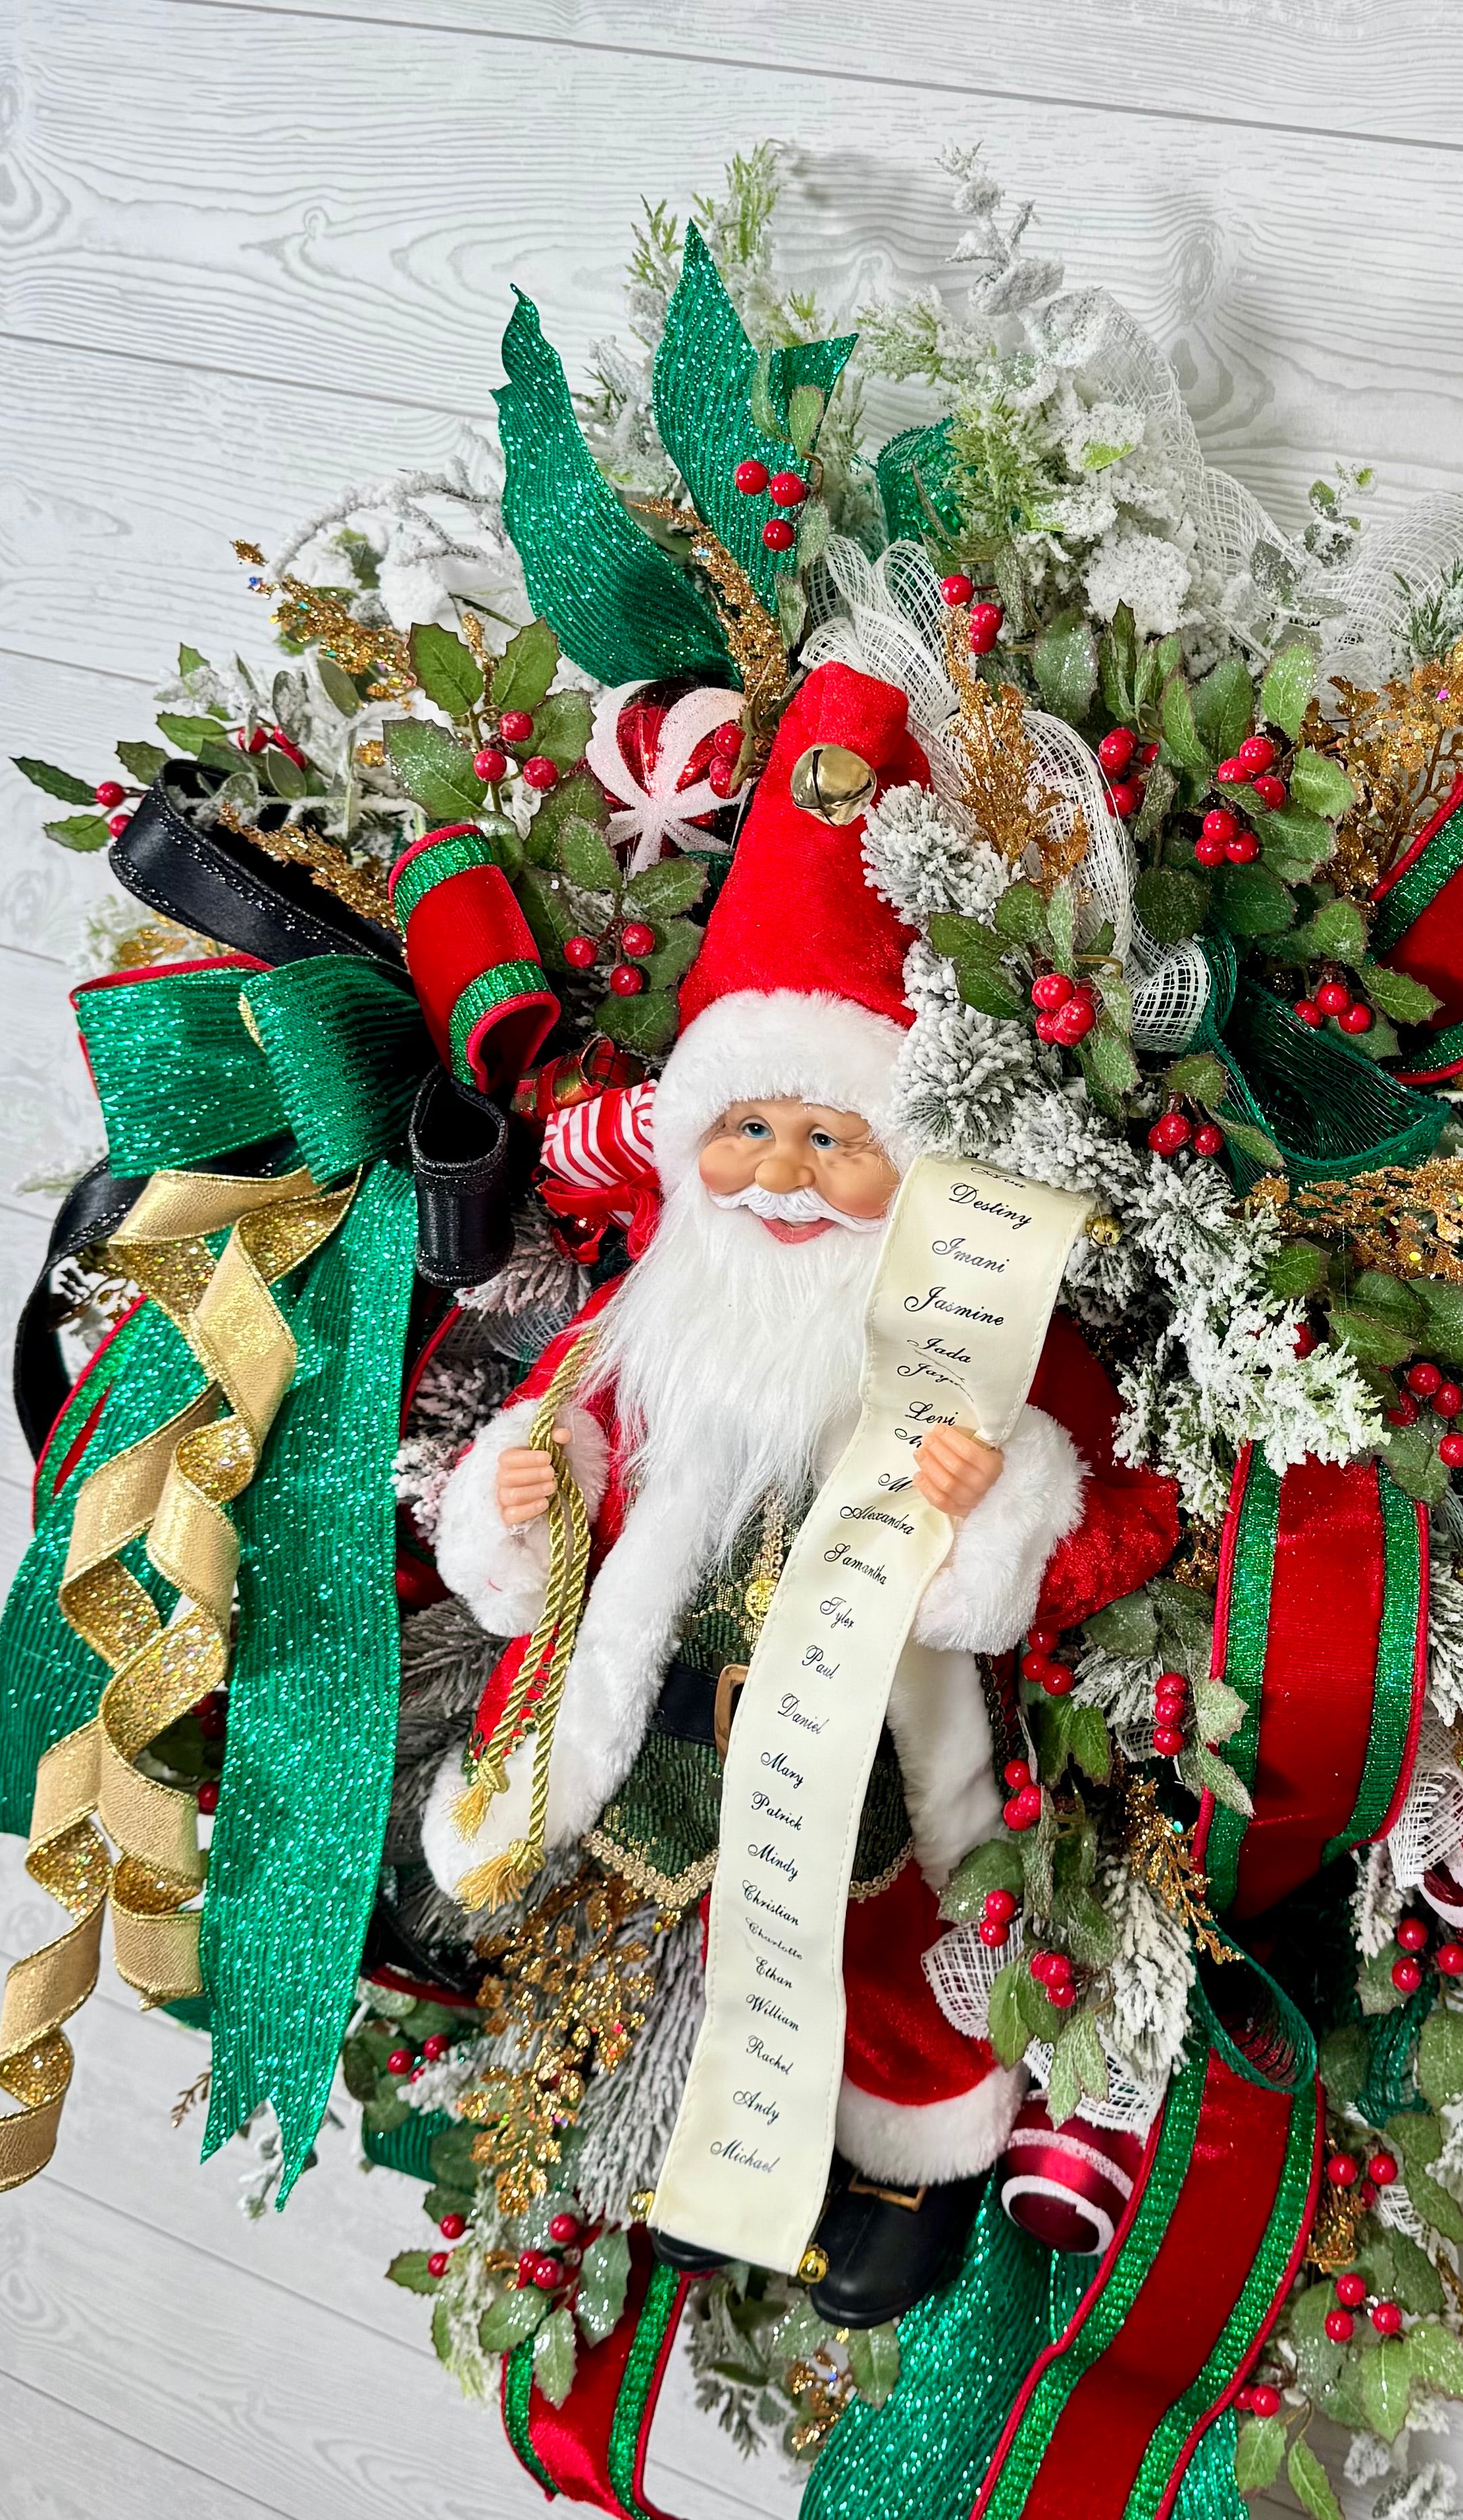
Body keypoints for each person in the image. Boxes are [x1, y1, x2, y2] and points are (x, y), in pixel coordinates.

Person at [420, 663, 1174, 2321]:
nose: (776, 1173)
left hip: (889, 1755)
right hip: (677, 1718)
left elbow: (1131, 1512)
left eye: (833, 1139)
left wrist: (998, 1500)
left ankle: (909, 2161)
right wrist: (527, 1494)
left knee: (899, 1957)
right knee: (698, 1928)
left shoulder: (974, 1337)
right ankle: (723, 2160)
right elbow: (547, 1477)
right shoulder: (659, 1324)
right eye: (745, 1126)